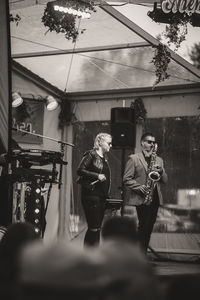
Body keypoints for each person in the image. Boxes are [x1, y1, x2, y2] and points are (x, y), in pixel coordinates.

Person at [123, 132, 168, 253]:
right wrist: (139, 187)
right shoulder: (134, 159)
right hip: (142, 197)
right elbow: (126, 179)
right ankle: (139, 255)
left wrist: (161, 170)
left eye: (153, 142)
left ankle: (142, 255)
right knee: (143, 226)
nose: (152, 144)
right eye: (149, 142)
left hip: (155, 198)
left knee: (149, 228)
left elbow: (165, 180)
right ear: (142, 143)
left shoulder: (159, 160)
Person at [77, 133, 112, 247]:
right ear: (100, 142)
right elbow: (80, 170)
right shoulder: (91, 154)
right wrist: (97, 175)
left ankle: (93, 255)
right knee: (94, 227)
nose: (110, 146)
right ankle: (89, 256)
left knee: (97, 228)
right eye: (108, 143)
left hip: (100, 197)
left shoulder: (105, 158)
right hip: (91, 195)